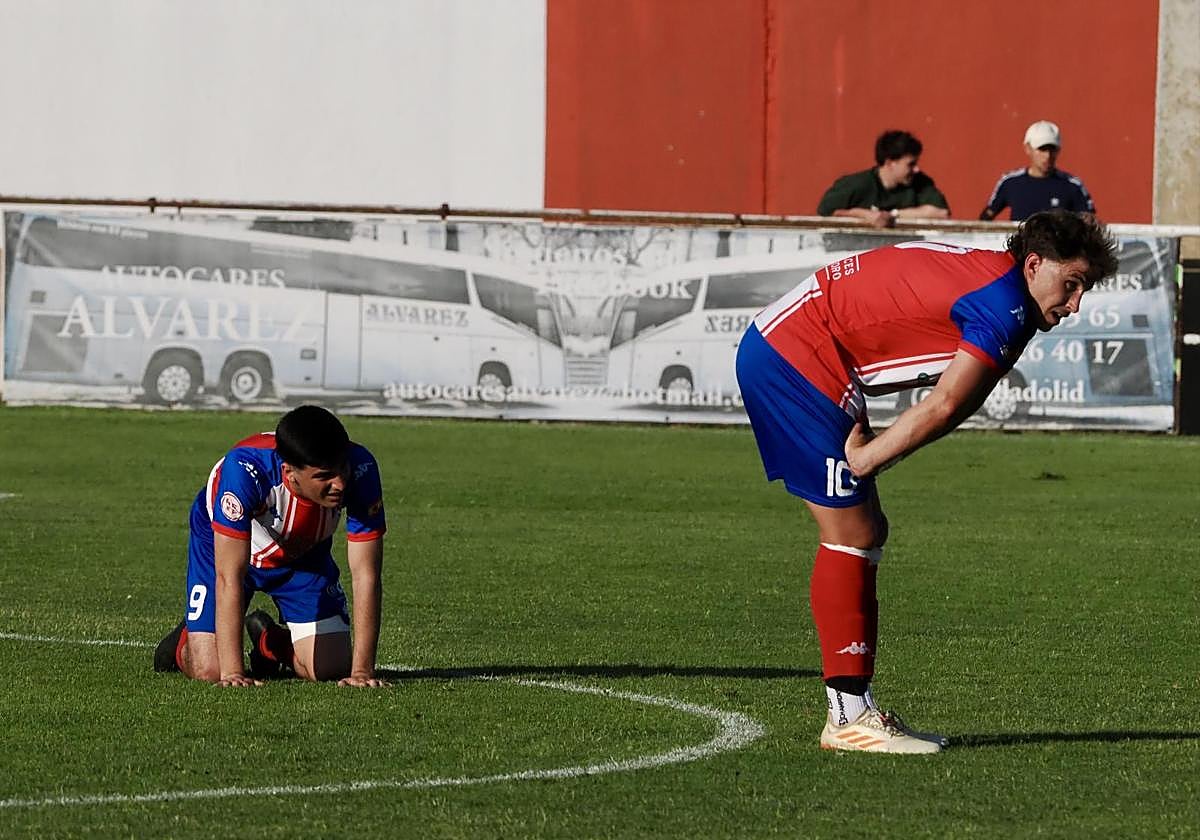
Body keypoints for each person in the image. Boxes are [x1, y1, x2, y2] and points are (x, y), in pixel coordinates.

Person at [735, 210, 1117, 753]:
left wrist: (873, 456)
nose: (1076, 304)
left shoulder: (1001, 284)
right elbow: (943, 406)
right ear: (1035, 264)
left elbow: (951, 402)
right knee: (853, 534)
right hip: (796, 355)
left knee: (866, 530)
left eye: (1085, 290)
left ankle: (852, 710)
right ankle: (848, 717)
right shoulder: (1005, 306)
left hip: (800, 345)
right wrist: (866, 461)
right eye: (1072, 284)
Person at [153, 405, 389, 688]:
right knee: (210, 669)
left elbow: (366, 574)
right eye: (324, 476)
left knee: (331, 667)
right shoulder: (244, 471)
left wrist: (361, 672)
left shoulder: (362, 469)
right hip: (230, 547)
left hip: (303, 553)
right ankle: (185, 641)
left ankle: (269, 641)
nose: (339, 483)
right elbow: (229, 576)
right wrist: (233, 674)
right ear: (290, 474)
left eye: (342, 469)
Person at [817, 130, 951, 229]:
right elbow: (826, 212)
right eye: (910, 164)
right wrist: (863, 215)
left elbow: (941, 213)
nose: (916, 169)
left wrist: (892, 215)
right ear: (890, 163)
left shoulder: (920, 183)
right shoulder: (857, 184)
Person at [979, 120, 1096, 221]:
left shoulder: (1072, 185)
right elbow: (986, 218)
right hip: (1021, 245)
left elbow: (1089, 221)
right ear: (1028, 148)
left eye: (1052, 150)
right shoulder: (1010, 183)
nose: (1047, 156)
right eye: (1042, 149)